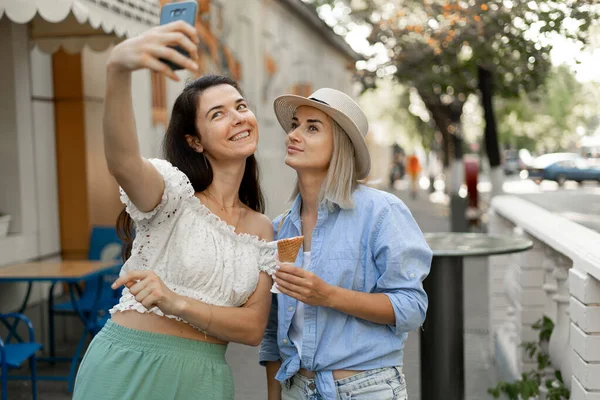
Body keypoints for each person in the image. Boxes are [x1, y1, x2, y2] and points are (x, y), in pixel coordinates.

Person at [73, 21, 277, 400]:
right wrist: (118, 69)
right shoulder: (172, 196)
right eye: (217, 114)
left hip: (206, 380)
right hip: (128, 367)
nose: (237, 118)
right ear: (194, 141)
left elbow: (251, 329)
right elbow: (123, 161)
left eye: (241, 106)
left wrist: (174, 301)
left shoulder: (262, 228)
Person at [259, 88, 432, 399]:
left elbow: (412, 307)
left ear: (340, 144)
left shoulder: (381, 213)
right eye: (296, 124)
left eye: (312, 128)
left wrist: (328, 295)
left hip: (366, 389)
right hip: (295, 389)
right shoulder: (281, 227)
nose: (294, 134)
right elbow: (274, 332)